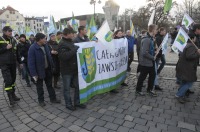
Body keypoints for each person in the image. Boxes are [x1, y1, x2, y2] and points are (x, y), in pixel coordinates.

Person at [28, 33, 60, 107]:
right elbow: (31, 63)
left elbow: (49, 57)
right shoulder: (32, 48)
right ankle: (41, 101)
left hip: (48, 69)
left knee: (49, 85)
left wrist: (52, 66)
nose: (45, 40)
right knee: (39, 87)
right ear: (39, 39)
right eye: (44, 38)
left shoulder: (46, 46)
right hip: (38, 71)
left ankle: (53, 98)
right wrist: (34, 74)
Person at [58, 28, 86, 111]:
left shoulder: (71, 41)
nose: (73, 35)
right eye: (72, 33)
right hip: (66, 71)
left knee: (78, 86)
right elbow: (64, 56)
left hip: (74, 69)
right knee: (67, 89)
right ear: (67, 34)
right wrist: (74, 49)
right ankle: (68, 104)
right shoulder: (62, 43)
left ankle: (77, 102)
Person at [175, 33, 200, 103]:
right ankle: (179, 95)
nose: (195, 39)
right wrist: (198, 53)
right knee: (189, 82)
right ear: (192, 39)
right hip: (187, 68)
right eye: (195, 38)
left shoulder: (187, 45)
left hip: (185, 67)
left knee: (185, 82)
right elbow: (189, 56)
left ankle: (182, 95)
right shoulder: (191, 46)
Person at [135, 24, 158, 97]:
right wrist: (152, 57)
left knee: (152, 76)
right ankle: (138, 90)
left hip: (150, 62)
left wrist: (155, 51)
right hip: (146, 62)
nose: (157, 31)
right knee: (142, 77)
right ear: (153, 30)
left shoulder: (151, 38)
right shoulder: (146, 39)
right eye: (156, 29)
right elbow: (144, 52)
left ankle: (150, 89)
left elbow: (149, 49)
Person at [0, 26, 20, 105]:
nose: (10, 32)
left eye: (11, 31)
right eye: (9, 31)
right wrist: (6, 48)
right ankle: (10, 98)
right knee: (8, 80)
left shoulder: (13, 39)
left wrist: (20, 62)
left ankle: (13, 94)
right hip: (4, 63)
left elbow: (16, 51)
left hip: (13, 63)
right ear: (4, 31)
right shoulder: (1, 39)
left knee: (13, 80)